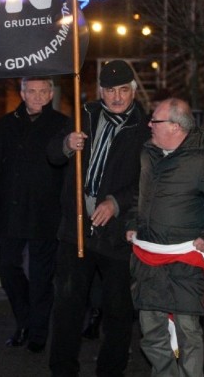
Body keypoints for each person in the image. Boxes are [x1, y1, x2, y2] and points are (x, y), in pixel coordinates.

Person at [128, 98, 204, 376]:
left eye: (155, 121)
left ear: (174, 126)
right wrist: (132, 221)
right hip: (148, 260)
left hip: (185, 262)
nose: (149, 125)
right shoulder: (148, 152)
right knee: (151, 332)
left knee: (187, 334)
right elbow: (139, 194)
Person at [47, 60, 150, 377]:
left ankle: (111, 370)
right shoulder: (84, 116)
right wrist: (66, 144)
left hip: (117, 236)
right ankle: (63, 369)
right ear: (100, 91)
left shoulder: (145, 128)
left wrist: (116, 203)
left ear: (133, 90)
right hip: (75, 230)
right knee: (66, 306)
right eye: (109, 90)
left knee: (118, 310)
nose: (117, 97)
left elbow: (148, 182)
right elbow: (51, 154)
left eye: (123, 90)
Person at [0, 77, 70, 352]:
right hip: (10, 209)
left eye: (42, 91)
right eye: (31, 91)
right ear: (22, 93)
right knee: (7, 266)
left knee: (41, 275)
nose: (36, 96)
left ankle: (37, 333)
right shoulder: (7, 123)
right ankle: (24, 320)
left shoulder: (63, 124)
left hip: (46, 211)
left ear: (50, 94)